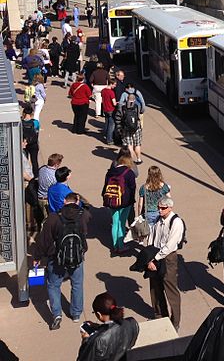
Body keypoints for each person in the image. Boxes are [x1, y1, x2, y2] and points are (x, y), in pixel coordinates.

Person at [31, 191, 91, 330]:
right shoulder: (83, 216)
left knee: (53, 285)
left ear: (64, 201)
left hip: (56, 257)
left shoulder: (53, 218)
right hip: (77, 256)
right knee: (77, 284)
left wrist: (37, 257)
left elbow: (44, 241)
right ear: (77, 202)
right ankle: (76, 313)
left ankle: (57, 314)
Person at [146, 197, 184, 330]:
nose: (160, 210)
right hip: (155, 255)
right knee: (155, 289)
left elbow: (170, 245)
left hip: (168, 259)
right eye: (159, 207)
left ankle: (175, 322)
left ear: (170, 207)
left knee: (170, 290)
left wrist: (155, 259)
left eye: (163, 208)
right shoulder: (158, 220)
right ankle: (160, 316)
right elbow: (152, 237)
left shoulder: (176, 222)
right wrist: (149, 257)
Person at [76, 292, 139, 361]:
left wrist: (85, 340)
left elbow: (84, 358)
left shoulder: (98, 341)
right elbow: (114, 328)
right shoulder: (131, 322)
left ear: (99, 314)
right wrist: (99, 327)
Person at [102, 154, 137, 255]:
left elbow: (105, 185)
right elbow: (132, 187)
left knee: (115, 222)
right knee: (121, 224)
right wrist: (131, 200)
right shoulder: (129, 173)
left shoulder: (110, 172)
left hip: (112, 200)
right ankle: (120, 246)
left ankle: (115, 245)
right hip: (125, 201)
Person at [117, 83, 146, 164]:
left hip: (126, 128)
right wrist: (141, 112)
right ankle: (139, 159)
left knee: (129, 144)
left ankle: (131, 160)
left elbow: (119, 113)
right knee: (137, 144)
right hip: (136, 126)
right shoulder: (137, 103)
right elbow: (143, 104)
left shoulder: (123, 103)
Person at [37, 153, 63, 222]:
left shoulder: (42, 169)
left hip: (40, 197)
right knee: (48, 221)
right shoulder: (54, 176)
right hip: (47, 200)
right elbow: (56, 189)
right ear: (56, 164)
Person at [21, 104, 40, 175]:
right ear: (32, 113)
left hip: (24, 144)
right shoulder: (35, 122)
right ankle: (36, 176)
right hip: (33, 144)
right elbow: (37, 133)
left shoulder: (20, 122)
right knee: (34, 161)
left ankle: (26, 175)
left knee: (25, 161)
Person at [100, 78, 118, 145]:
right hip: (111, 110)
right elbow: (114, 103)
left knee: (106, 123)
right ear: (111, 84)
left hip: (105, 109)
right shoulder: (111, 92)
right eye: (114, 84)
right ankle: (109, 140)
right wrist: (117, 103)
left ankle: (105, 134)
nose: (115, 86)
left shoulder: (103, 90)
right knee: (111, 125)